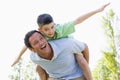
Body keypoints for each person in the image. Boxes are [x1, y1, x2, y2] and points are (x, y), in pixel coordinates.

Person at [11, 3, 110, 67]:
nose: (51, 31)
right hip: (58, 53)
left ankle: (85, 73)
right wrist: (18, 57)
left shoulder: (60, 29)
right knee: (39, 68)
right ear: (40, 30)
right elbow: (27, 44)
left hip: (69, 49)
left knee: (82, 61)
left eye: (52, 27)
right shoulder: (39, 36)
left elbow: (78, 20)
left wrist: (97, 10)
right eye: (46, 29)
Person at [24, 30, 93, 80]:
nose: (41, 43)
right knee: (39, 68)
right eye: (36, 42)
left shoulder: (66, 44)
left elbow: (85, 47)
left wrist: (86, 67)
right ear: (32, 49)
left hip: (75, 76)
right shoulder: (34, 58)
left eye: (41, 38)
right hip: (55, 78)